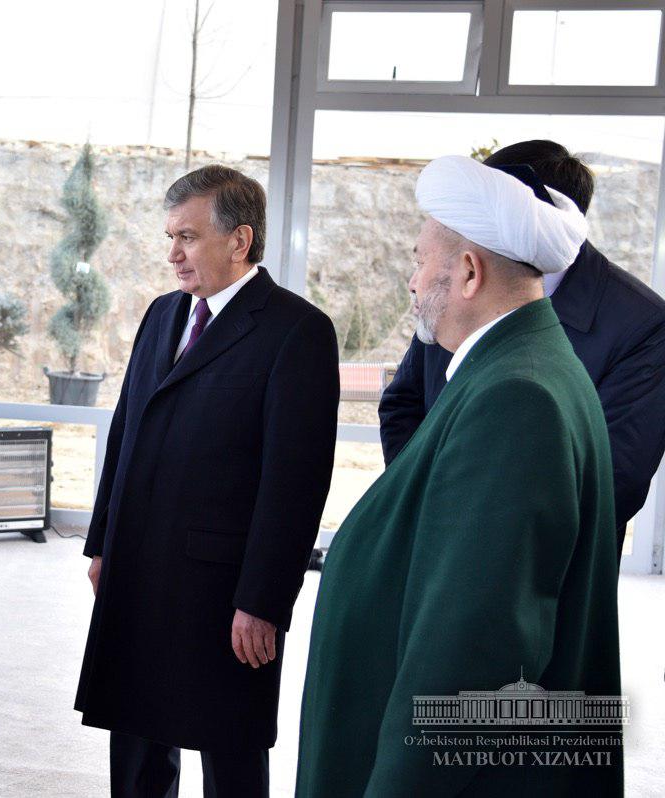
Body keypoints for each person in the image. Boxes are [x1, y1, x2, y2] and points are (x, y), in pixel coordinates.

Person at [297, 155, 622, 796]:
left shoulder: (517, 397)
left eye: (420, 261)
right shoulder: (519, 365)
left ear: (469, 272)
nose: (412, 282)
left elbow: (472, 652)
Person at [75, 164, 339, 798]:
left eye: (187, 237)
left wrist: (264, 601)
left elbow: (295, 486)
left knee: (231, 754)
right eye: (170, 237)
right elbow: (126, 430)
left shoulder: (297, 331)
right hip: (139, 569)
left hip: (224, 590)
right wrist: (102, 544)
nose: (173, 254)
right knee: (136, 740)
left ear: (240, 240)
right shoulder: (162, 314)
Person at [379, 140, 665, 557]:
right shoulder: (459, 284)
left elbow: (614, 479)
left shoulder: (641, 324)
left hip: (544, 568)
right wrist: (424, 512)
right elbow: (404, 404)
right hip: (432, 544)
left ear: (532, 212)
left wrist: (477, 534)